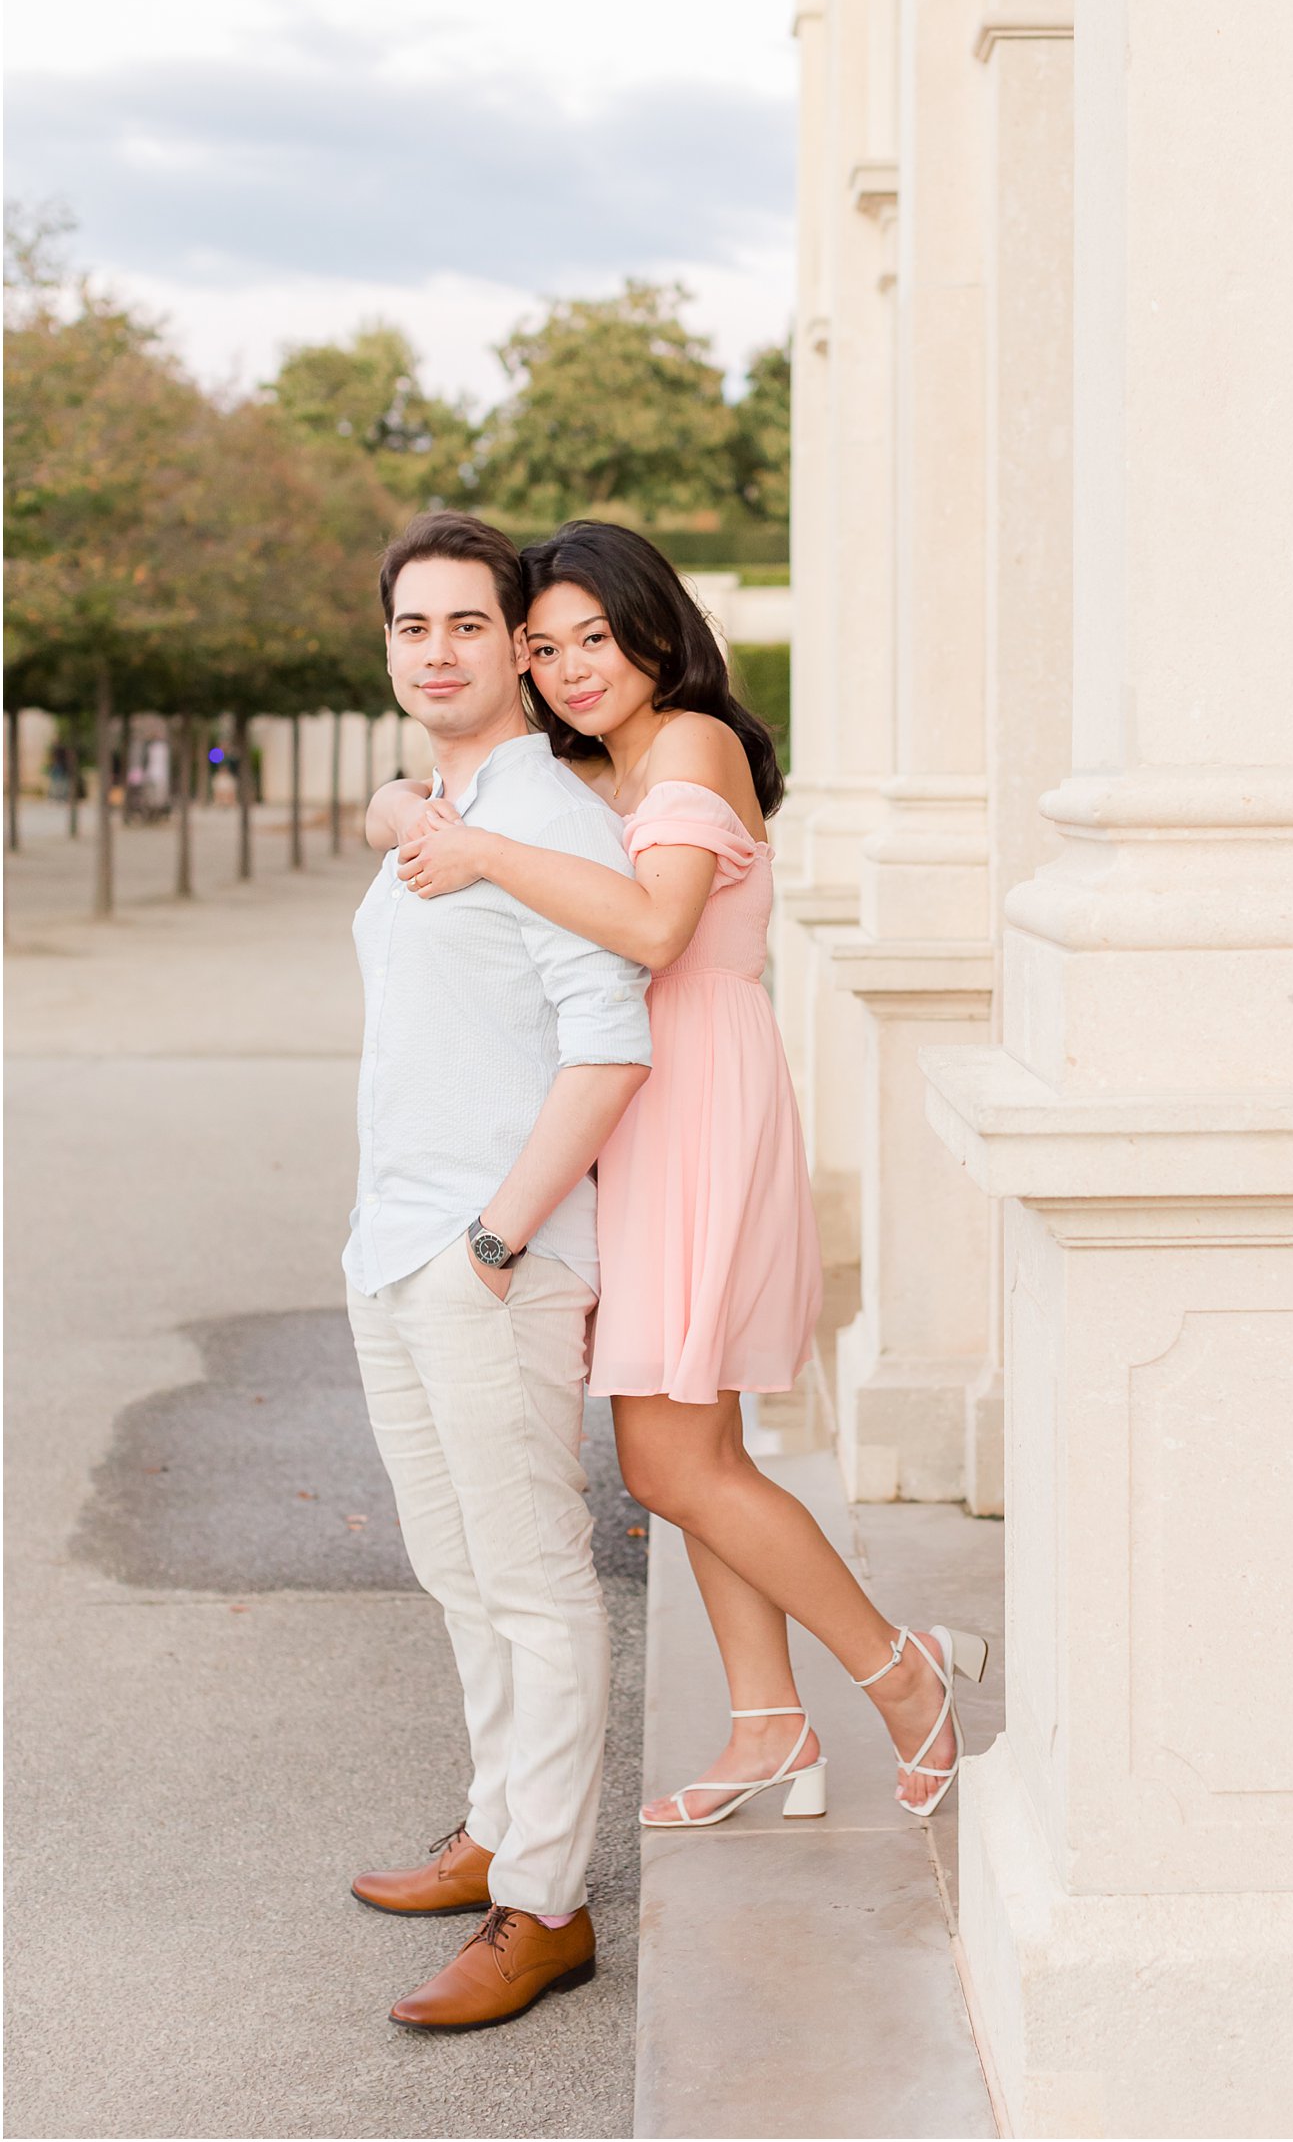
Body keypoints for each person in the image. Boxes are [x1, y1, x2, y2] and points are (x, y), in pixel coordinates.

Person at [375, 520, 986, 1833]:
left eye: (595, 636)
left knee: (668, 1458)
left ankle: (901, 1672)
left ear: (657, 624)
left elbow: (655, 926)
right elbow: (455, 808)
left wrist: (476, 852)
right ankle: (769, 1721)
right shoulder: (607, 769)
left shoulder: (696, 737)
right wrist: (404, 810)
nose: (573, 667)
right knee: (694, 1443)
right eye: (544, 648)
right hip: (646, 1105)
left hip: (696, 1088)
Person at [344, 511, 652, 2032]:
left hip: (490, 1258)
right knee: (458, 1567)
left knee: (532, 1579)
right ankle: (494, 1831)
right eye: (414, 625)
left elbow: (611, 1044)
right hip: (391, 1249)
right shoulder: (446, 805)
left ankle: (548, 1902)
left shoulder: (551, 821)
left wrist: (494, 1240)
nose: (439, 649)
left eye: (470, 623)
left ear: (517, 646)